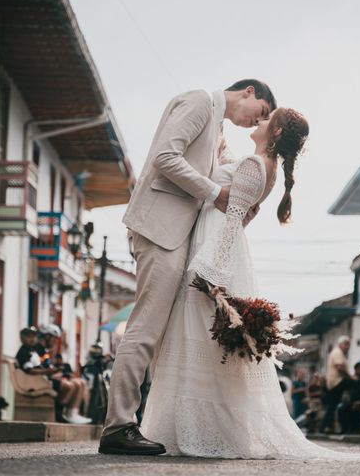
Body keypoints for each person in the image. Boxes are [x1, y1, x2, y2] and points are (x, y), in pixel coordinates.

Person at [138, 106, 360, 460]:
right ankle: (194, 428)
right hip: (213, 248)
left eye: (268, 119)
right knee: (202, 343)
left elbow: (233, 222)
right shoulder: (259, 165)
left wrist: (208, 273)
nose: (260, 121)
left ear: (277, 132)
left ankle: (202, 431)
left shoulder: (255, 166)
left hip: (213, 255)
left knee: (199, 339)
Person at [100, 79, 277, 456]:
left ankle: (137, 421)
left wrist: (256, 183)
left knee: (160, 334)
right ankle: (118, 426)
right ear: (248, 91)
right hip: (160, 227)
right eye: (259, 113)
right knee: (145, 328)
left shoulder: (218, 127)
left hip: (179, 233)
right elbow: (166, 158)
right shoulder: (199, 102)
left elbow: (227, 171)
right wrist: (217, 194)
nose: (253, 123)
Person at [36, 324, 91, 424]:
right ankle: (59, 412)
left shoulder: (45, 351)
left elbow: (47, 367)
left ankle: (72, 413)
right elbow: (39, 368)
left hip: (46, 378)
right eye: (54, 339)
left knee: (81, 383)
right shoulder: (38, 350)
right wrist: (54, 374)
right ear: (48, 337)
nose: (55, 342)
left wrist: (60, 374)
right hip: (39, 380)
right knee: (69, 385)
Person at [320, 336, 356, 434]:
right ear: (340, 344)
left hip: (335, 383)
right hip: (337, 382)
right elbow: (340, 367)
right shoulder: (337, 352)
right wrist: (351, 377)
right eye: (346, 344)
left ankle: (325, 426)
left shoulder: (340, 353)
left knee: (332, 406)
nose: (347, 347)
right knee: (356, 385)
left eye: (349, 345)